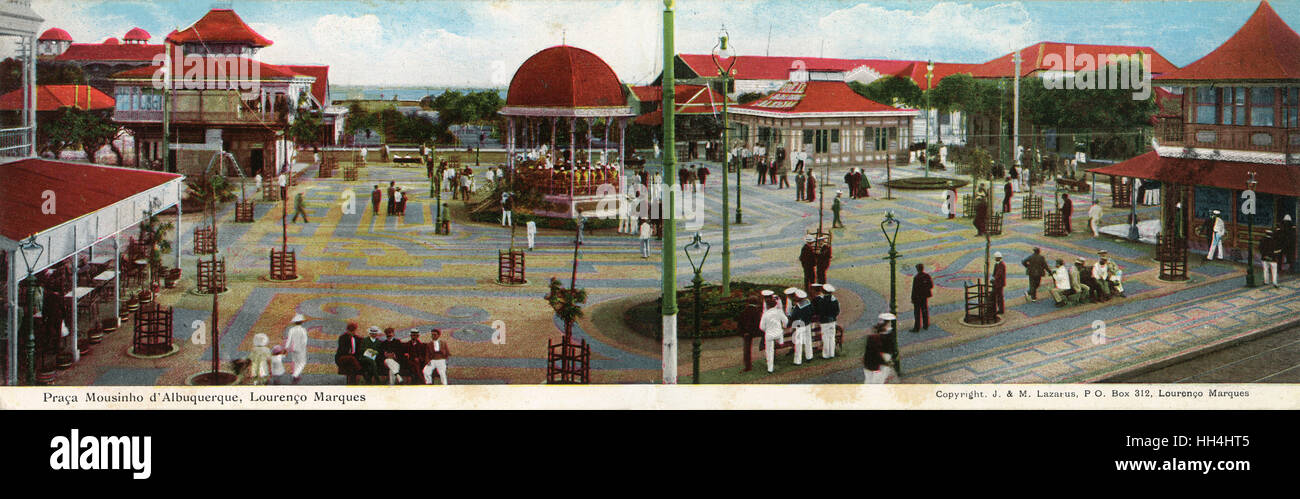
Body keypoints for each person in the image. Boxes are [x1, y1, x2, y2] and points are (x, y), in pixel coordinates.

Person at [759, 293, 789, 373]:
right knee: (779, 334)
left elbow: (761, 327)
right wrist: (784, 326)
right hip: (779, 334)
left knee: (769, 351)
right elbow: (786, 321)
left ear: (767, 306)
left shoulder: (765, 314)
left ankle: (770, 368)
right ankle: (781, 342)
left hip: (769, 335)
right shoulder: (779, 312)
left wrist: (767, 330)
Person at [738, 295, 763, 372]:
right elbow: (758, 323)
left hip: (746, 333)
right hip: (755, 331)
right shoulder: (757, 311)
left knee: (747, 350)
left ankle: (747, 366)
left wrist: (743, 332)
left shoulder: (744, 311)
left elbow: (740, 323)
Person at [789, 289, 814, 365]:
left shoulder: (798, 306)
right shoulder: (808, 303)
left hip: (799, 325)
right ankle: (809, 356)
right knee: (808, 341)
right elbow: (812, 311)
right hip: (807, 324)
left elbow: (793, 316)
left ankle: (797, 361)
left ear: (798, 297)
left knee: (798, 343)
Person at [815, 284, 840, 358]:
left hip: (824, 321)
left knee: (825, 337)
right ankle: (832, 353)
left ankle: (826, 354)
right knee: (832, 337)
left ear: (824, 291)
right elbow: (837, 311)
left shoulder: (822, 301)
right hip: (832, 320)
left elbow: (819, 311)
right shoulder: (834, 300)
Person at [284, 313, 309, 384]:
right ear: (302, 322)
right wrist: (304, 347)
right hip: (301, 348)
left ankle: (296, 375)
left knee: (295, 362)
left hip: (293, 348)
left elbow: (289, 340)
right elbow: (305, 340)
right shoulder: (303, 330)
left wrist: (286, 348)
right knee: (302, 362)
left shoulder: (291, 330)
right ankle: (295, 375)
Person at [911, 263, 933, 331]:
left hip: (917, 298)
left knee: (917, 313)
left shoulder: (916, 278)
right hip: (924, 297)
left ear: (917, 269)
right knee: (924, 311)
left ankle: (917, 327)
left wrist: (912, 298)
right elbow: (931, 285)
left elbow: (914, 289)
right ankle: (925, 325)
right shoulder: (927, 276)